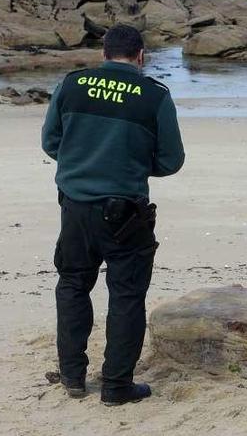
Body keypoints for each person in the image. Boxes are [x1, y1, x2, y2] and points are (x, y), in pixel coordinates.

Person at [41, 24, 185, 406]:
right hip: (125, 212)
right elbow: (171, 160)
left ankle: (72, 376)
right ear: (141, 57)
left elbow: (51, 142)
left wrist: (85, 163)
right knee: (126, 296)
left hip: (75, 205)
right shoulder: (154, 95)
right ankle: (116, 385)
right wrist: (130, 164)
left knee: (73, 285)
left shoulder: (72, 84)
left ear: (103, 54)